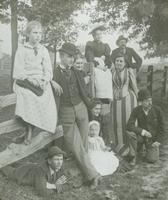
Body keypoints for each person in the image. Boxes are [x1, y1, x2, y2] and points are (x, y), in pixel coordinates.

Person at [53, 42, 101, 188]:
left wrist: (91, 106)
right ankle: (93, 176)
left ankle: (84, 175)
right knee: (75, 145)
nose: (72, 60)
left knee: (84, 145)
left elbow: (82, 91)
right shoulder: (53, 73)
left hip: (81, 109)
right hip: (66, 112)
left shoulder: (76, 71)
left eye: (73, 57)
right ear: (61, 56)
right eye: (69, 57)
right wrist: (51, 81)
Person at [13, 21, 61, 145]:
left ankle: (31, 128)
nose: (38, 35)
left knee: (45, 96)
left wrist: (44, 80)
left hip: (40, 81)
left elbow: (48, 69)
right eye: (35, 33)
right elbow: (18, 70)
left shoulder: (43, 50)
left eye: (40, 33)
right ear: (28, 34)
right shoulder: (22, 49)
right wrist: (31, 80)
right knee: (27, 96)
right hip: (25, 80)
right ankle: (28, 129)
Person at [1, 146, 68, 197]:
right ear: (49, 161)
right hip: (24, 173)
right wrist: (55, 186)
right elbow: (43, 192)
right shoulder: (41, 170)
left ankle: (14, 162)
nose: (60, 162)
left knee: (16, 163)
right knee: (3, 166)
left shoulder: (60, 165)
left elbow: (68, 181)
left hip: (32, 167)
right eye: (56, 159)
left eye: (61, 159)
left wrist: (51, 185)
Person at [126, 89, 165, 165]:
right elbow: (129, 125)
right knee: (130, 133)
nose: (150, 103)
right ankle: (134, 154)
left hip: (153, 139)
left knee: (152, 159)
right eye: (147, 101)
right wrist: (143, 132)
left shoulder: (157, 110)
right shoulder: (136, 110)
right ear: (141, 102)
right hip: (141, 137)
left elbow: (163, 128)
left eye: (151, 100)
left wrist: (158, 141)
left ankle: (147, 149)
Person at [111, 53, 138, 156]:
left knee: (128, 123)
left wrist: (139, 100)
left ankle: (132, 150)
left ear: (125, 63)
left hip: (128, 100)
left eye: (121, 61)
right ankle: (120, 147)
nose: (118, 62)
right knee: (117, 124)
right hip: (115, 102)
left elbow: (134, 86)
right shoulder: (112, 71)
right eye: (117, 60)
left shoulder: (129, 72)